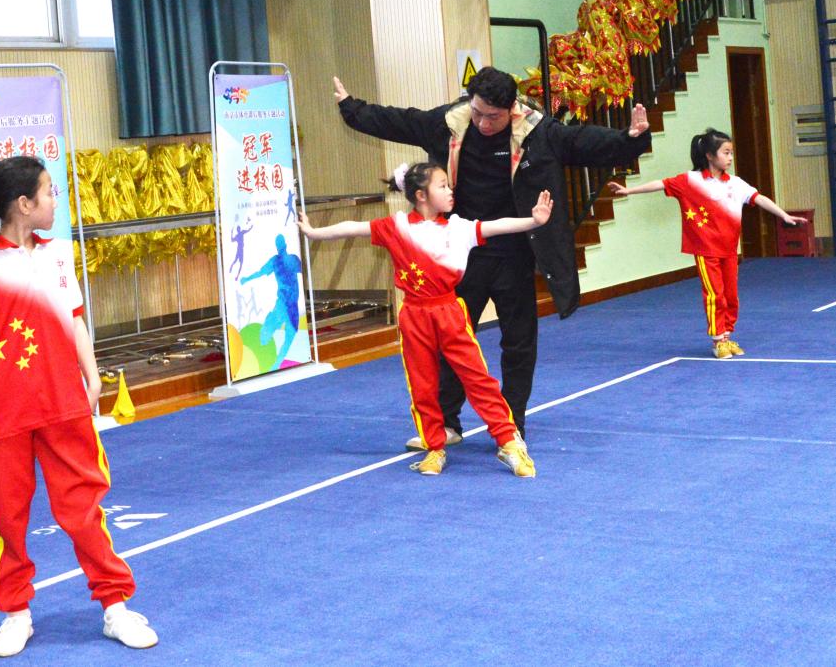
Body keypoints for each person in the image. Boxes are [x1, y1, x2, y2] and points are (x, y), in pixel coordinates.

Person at [0, 156, 158, 657]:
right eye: (48, 192)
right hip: (2, 414)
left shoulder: (57, 256)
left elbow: (74, 320)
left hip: (64, 406)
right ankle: (16, 613)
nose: (55, 200)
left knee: (83, 510)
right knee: (6, 516)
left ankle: (115, 606)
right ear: (24, 204)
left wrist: (92, 375)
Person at [334, 67, 651, 448]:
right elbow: (399, 121)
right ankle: (446, 424)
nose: (483, 123)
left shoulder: (538, 132)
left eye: (493, 117)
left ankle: (511, 422)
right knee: (451, 341)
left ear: (511, 108)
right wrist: (351, 108)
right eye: (478, 112)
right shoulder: (449, 124)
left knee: (518, 342)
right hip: (462, 253)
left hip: (515, 253)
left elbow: (584, 141)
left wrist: (630, 139)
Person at [298, 161, 551, 477]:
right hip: (414, 318)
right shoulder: (397, 227)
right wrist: (313, 233)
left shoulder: (458, 228)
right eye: (442, 186)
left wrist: (533, 220)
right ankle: (434, 448)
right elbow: (352, 227)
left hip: (450, 314)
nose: (450, 191)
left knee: (478, 379)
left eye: (448, 185)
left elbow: (496, 225)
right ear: (421, 195)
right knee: (423, 385)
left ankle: (508, 442)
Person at [608, 128, 807, 358]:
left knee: (731, 295)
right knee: (715, 294)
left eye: (731, 153)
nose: (730, 158)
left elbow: (759, 198)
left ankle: (727, 336)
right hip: (706, 250)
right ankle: (717, 340)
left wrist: (784, 215)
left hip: (729, 250)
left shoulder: (736, 183)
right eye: (726, 153)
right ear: (710, 156)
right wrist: (629, 190)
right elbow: (660, 184)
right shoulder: (690, 181)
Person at [240, 233, 303, 371]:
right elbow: (260, 272)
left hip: (292, 305)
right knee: (269, 331)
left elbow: (305, 270)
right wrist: (247, 279)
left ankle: (276, 364)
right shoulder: (277, 261)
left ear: (283, 246)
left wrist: (247, 279)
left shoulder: (291, 260)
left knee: (290, 335)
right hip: (283, 304)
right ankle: (262, 357)